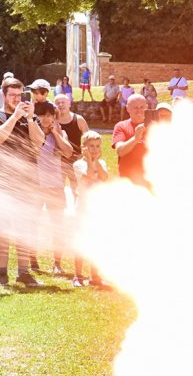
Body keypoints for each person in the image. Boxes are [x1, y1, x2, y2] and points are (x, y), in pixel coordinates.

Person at [0, 78, 46, 287]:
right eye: (12, 95)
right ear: (4, 95)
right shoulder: (1, 116)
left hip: (27, 181)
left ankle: (23, 272)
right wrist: (15, 116)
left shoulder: (31, 117)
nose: (17, 99)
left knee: (25, 227)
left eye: (19, 95)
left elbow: (39, 141)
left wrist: (28, 118)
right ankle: (2, 274)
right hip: (5, 181)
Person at [33, 102, 74, 274]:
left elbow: (69, 152)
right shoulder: (32, 131)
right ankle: (32, 261)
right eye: (42, 115)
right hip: (36, 186)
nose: (46, 118)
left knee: (57, 225)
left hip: (56, 186)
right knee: (32, 224)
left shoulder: (60, 132)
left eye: (50, 115)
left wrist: (56, 133)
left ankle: (57, 263)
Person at [72, 131, 108, 287]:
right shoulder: (79, 164)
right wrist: (89, 160)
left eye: (98, 146)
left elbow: (105, 177)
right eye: (91, 146)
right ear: (83, 148)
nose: (94, 149)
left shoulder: (102, 163)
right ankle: (78, 275)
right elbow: (90, 176)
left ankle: (95, 275)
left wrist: (97, 161)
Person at [112, 94, 150, 189]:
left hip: (150, 180)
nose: (139, 110)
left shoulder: (155, 126)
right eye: (135, 108)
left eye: (142, 107)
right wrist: (135, 139)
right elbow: (120, 151)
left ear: (147, 107)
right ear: (127, 108)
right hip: (127, 182)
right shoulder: (121, 126)